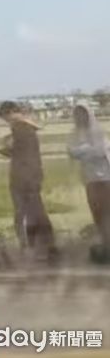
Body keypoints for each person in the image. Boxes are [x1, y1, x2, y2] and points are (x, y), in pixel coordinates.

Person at [0, 101, 58, 261]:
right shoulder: (27, 128)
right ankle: (46, 245)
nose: (7, 121)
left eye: (5, 117)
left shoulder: (20, 128)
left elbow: (22, 154)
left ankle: (30, 246)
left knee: (24, 214)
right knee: (35, 211)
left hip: (24, 177)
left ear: (10, 112)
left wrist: (8, 148)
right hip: (31, 174)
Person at [67, 103, 110, 262]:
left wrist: (83, 151)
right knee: (97, 214)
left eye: (83, 113)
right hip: (90, 179)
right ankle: (105, 246)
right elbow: (72, 151)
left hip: (106, 177)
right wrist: (87, 150)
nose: (80, 117)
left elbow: (101, 151)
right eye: (77, 114)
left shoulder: (98, 132)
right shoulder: (74, 133)